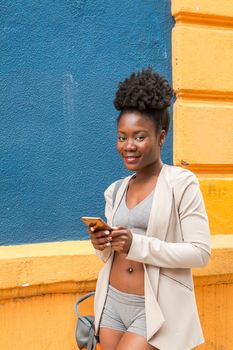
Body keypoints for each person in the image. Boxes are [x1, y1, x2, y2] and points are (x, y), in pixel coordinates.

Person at [89, 67, 211, 350]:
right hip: (112, 302)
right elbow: (110, 255)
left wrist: (137, 244)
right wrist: (101, 244)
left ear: (161, 137)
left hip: (155, 306)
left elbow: (200, 253)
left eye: (139, 136)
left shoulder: (181, 184)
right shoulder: (116, 190)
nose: (128, 146)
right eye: (122, 137)